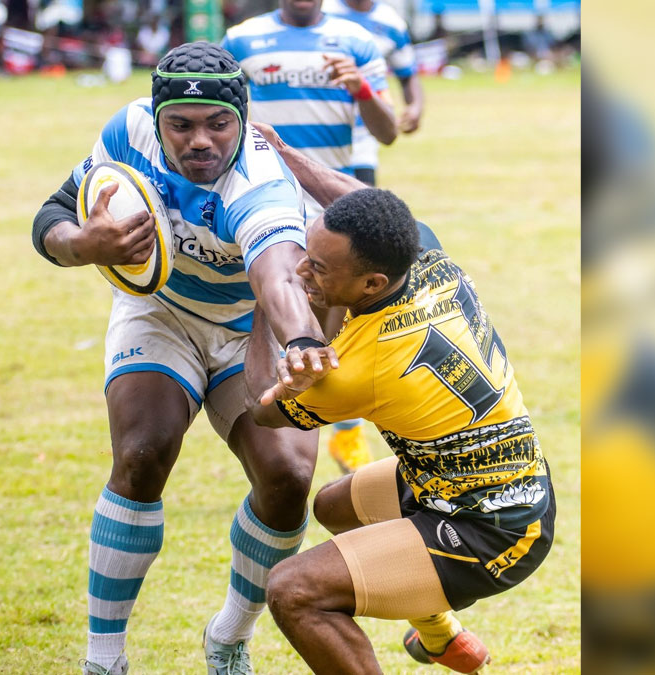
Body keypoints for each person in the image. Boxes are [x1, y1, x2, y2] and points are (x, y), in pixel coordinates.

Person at [31, 42, 337, 675]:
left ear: (243, 119)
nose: (201, 141)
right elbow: (54, 213)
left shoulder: (259, 183)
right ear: (156, 118)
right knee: (142, 452)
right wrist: (84, 244)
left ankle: (228, 637)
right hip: (161, 312)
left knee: (288, 477)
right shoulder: (127, 131)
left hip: (251, 324)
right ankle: (103, 660)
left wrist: (302, 342)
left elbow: (278, 277)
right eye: (181, 124)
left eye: (219, 124)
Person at [243, 124, 556, 674]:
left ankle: (438, 628)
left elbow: (261, 410)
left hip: (494, 530)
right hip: (492, 479)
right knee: (334, 507)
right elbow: (359, 199)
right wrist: (289, 157)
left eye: (318, 268)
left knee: (294, 591)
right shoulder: (425, 253)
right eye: (305, 256)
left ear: (371, 283)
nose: (300, 270)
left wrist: (266, 295)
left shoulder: (361, 367)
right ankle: (441, 639)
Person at [223, 0, 400, 475]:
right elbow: (217, 118)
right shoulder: (241, 41)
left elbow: (388, 131)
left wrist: (362, 89)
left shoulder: (356, 41)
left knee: (330, 334)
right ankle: (276, 453)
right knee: (269, 323)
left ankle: (343, 436)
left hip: (331, 214)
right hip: (262, 204)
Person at [322, 0, 425, 185]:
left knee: (362, 198)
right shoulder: (322, 12)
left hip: (365, 135)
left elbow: (407, 73)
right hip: (322, 131)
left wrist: (415, 106)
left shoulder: (390, 21)